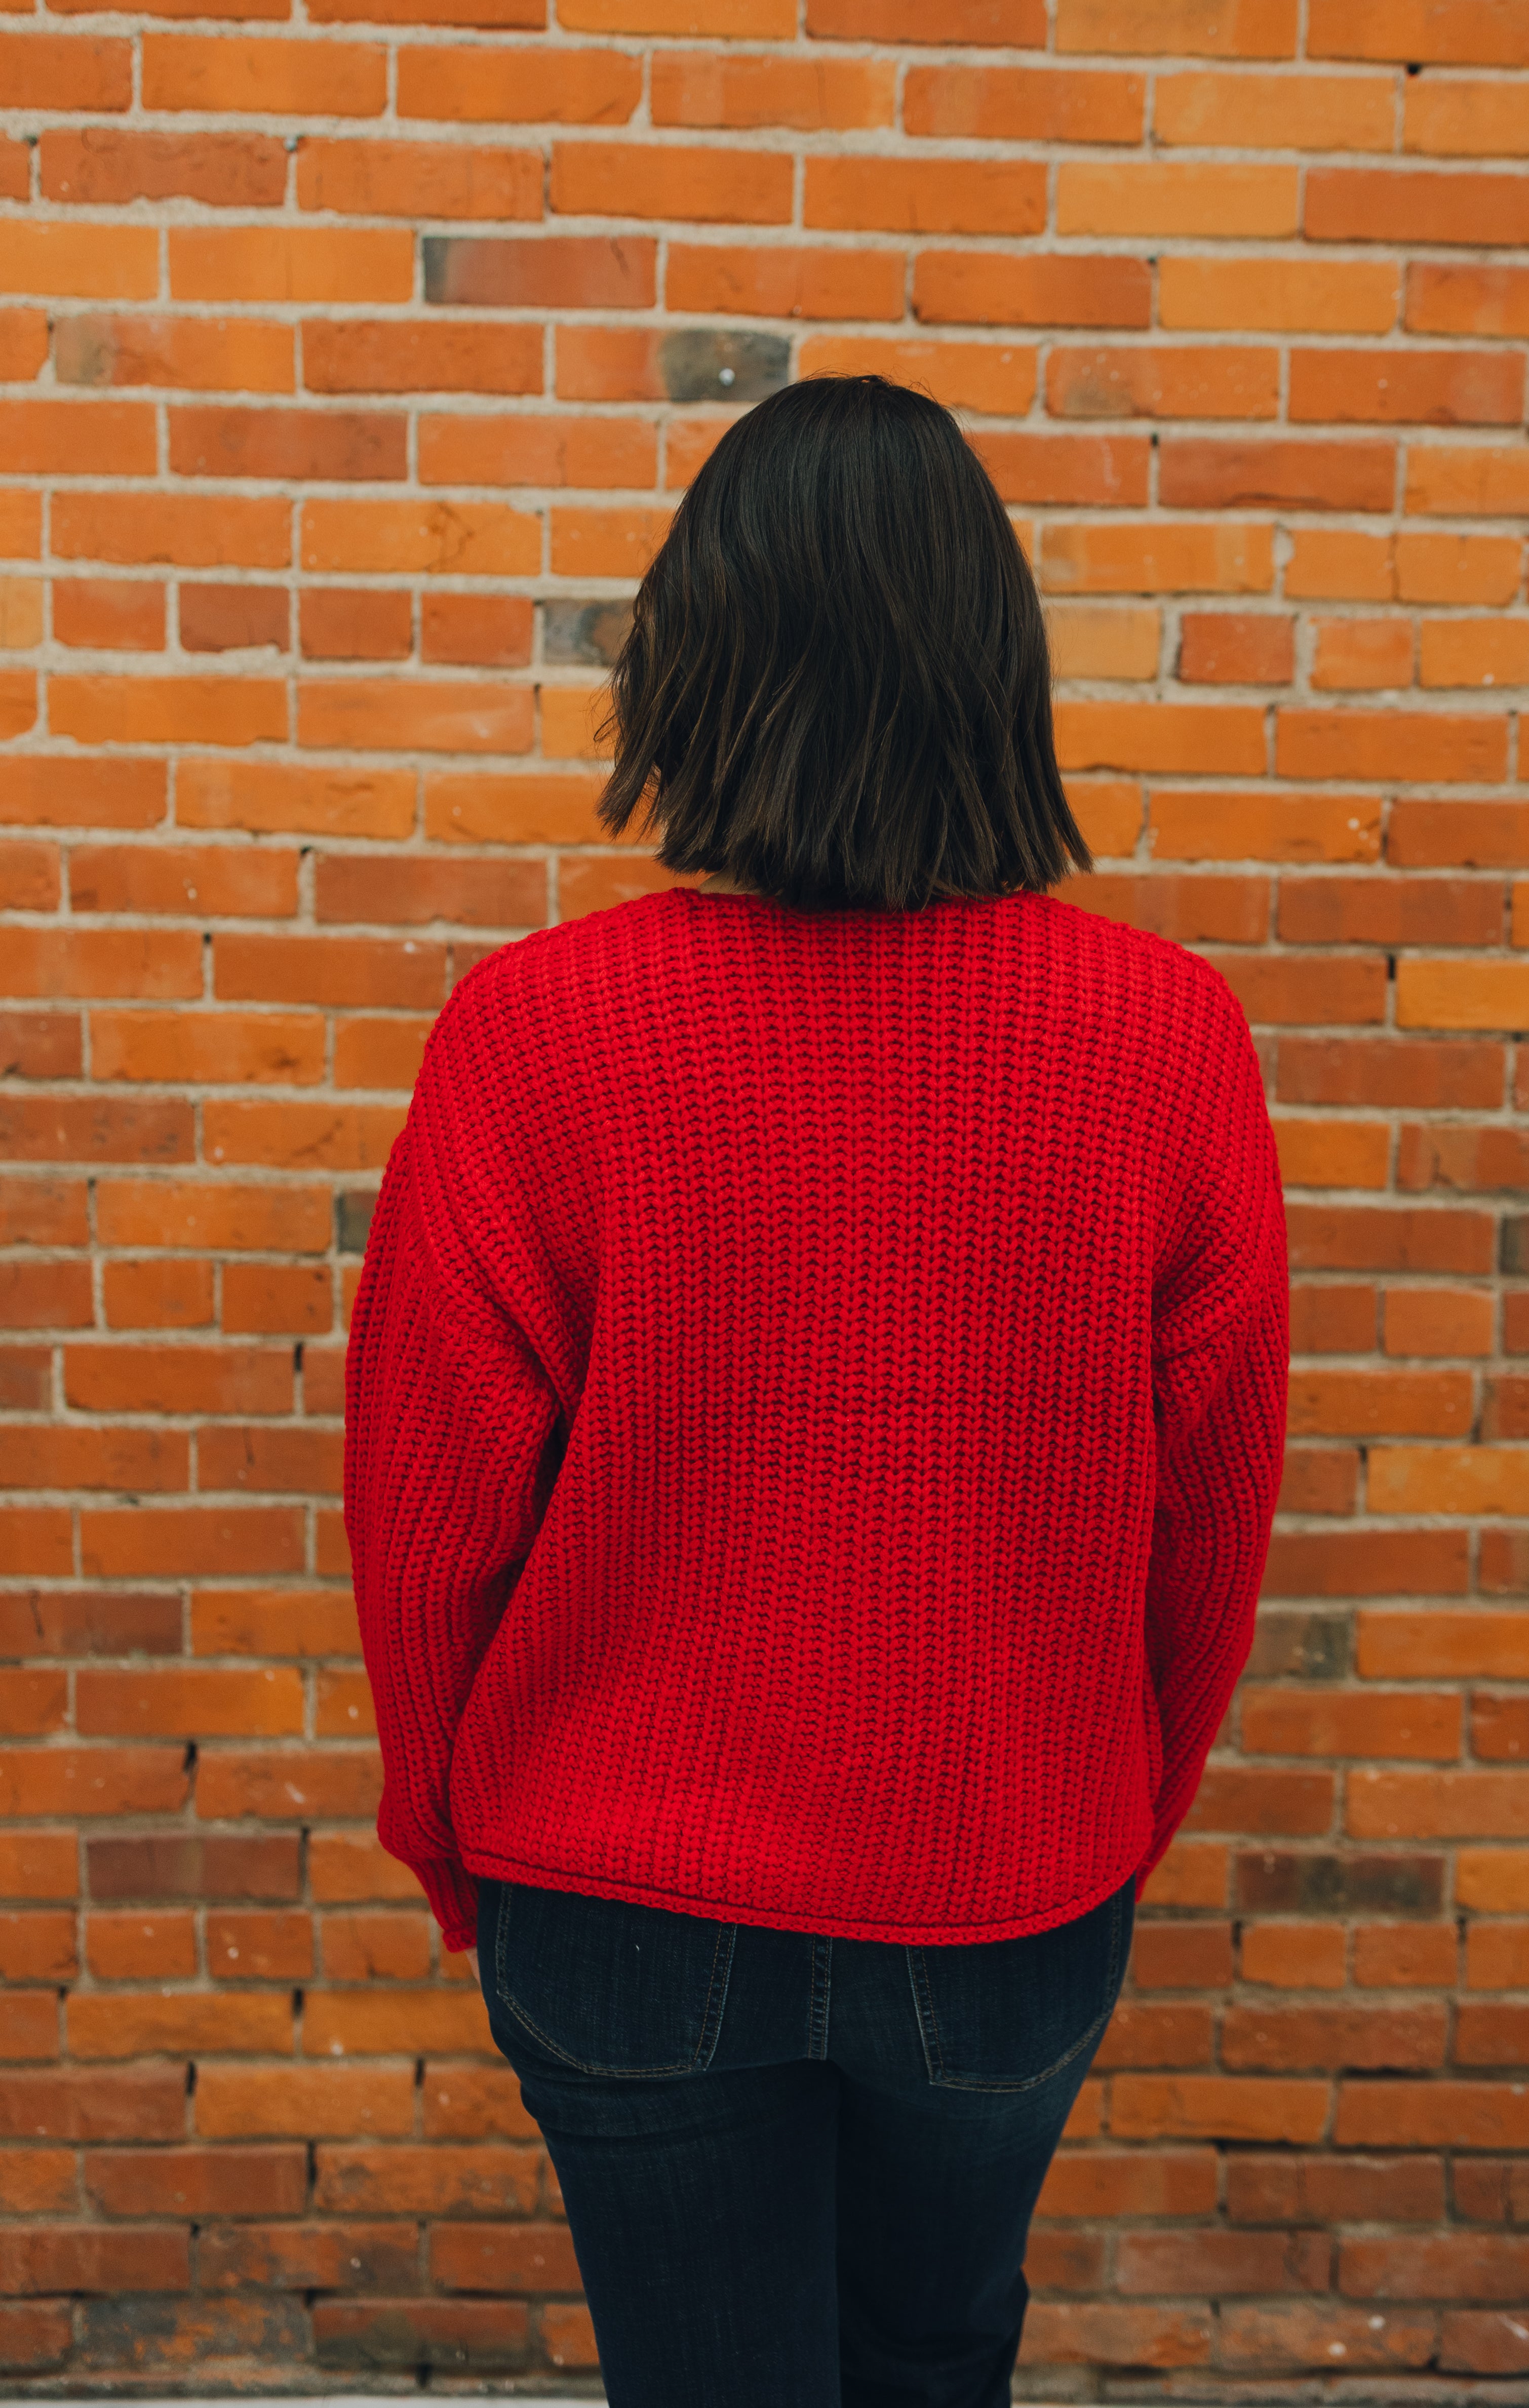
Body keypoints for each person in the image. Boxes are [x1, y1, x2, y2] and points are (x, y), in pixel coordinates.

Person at [344, 374, 1289, 2408]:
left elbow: (429, 1533)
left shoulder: (532, 1037)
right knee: (938, 2359)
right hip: (1012, 1891)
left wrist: (455, 1847)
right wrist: (1105, 1817)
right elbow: (1210, 1532)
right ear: (990, 667)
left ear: (698, 662)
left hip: (610, 1897)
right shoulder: (1170, 1043)